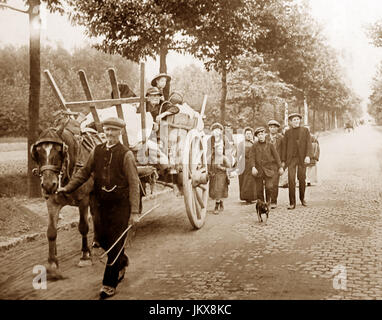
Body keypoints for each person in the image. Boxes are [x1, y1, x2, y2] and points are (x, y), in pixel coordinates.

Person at [57, 117, 140, 299]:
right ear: (104, 131)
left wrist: (134, 212)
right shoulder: (98, 150)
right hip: (101, 205)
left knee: (115, 245)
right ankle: (122, 262)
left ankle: (108, 284)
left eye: (114, 131)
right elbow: (84, 172)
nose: (110, 134)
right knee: (102, 240)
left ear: (121, 133)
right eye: (108, 130)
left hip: (121, 206)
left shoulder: (126, 155)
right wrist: (67, 187)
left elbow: (134, 183)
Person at [281, 113, 313, 210]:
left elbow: (309, 144)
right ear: (290, 122)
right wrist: (283, 160)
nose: (296, 121)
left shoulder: (305, 130)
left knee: (302, 178)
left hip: (302, 158)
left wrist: (308, 156)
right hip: (291, 159)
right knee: (291, 180)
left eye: (297, 119)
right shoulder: (287, 133)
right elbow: (284, 147)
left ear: (300, 120)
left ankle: (302, 198)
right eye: (294, 120)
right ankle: (292, 202)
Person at [250, 127, 283, 205]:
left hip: (269, 169)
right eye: (259, 135)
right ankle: (261, 203)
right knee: (259, 189)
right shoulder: (254, 146)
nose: (261, 136)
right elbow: (252, 157)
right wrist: (253, 167)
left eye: (262, 134)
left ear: (265, 135)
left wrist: (280, 167)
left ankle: (268, 202)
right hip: (258, 170)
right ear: (257, 136)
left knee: (269, 187)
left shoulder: (270, 145)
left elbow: (277, 156)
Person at [208, 123, 232, 214]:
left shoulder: (224, 139)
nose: (217, 131)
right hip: (213, 163)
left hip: (222, 162)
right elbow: (208, 152)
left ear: (221, 131)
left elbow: (228, 153)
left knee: (220, 186)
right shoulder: (210, 140)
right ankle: (220, 201)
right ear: (212, 131)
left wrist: (225, 167)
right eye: (215, 130)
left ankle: (217, 205)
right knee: (215, 187)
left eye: (218, 129)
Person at [266, 119, 283, 208]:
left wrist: (282, 163)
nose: (272, 129)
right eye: (271, 127)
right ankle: (267, 200)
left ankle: (274, 201)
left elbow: (283, 151)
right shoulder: (265, 138)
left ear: (277, 129)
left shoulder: (281, 138)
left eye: (274, 128)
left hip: (277, 164)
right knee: (268, 184)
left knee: (275, 183)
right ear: (269, 128)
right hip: (267, 165)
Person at [238, 127, 256, 203]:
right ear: (244, 135)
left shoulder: (255, 142)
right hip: (244, 163)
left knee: (252, 180)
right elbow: (238, 154)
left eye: (250, 134)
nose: (248, 135)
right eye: (247, 134)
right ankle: (245, 197)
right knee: (244, 180)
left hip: (252, 163)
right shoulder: (241, 143)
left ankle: (252, 197)